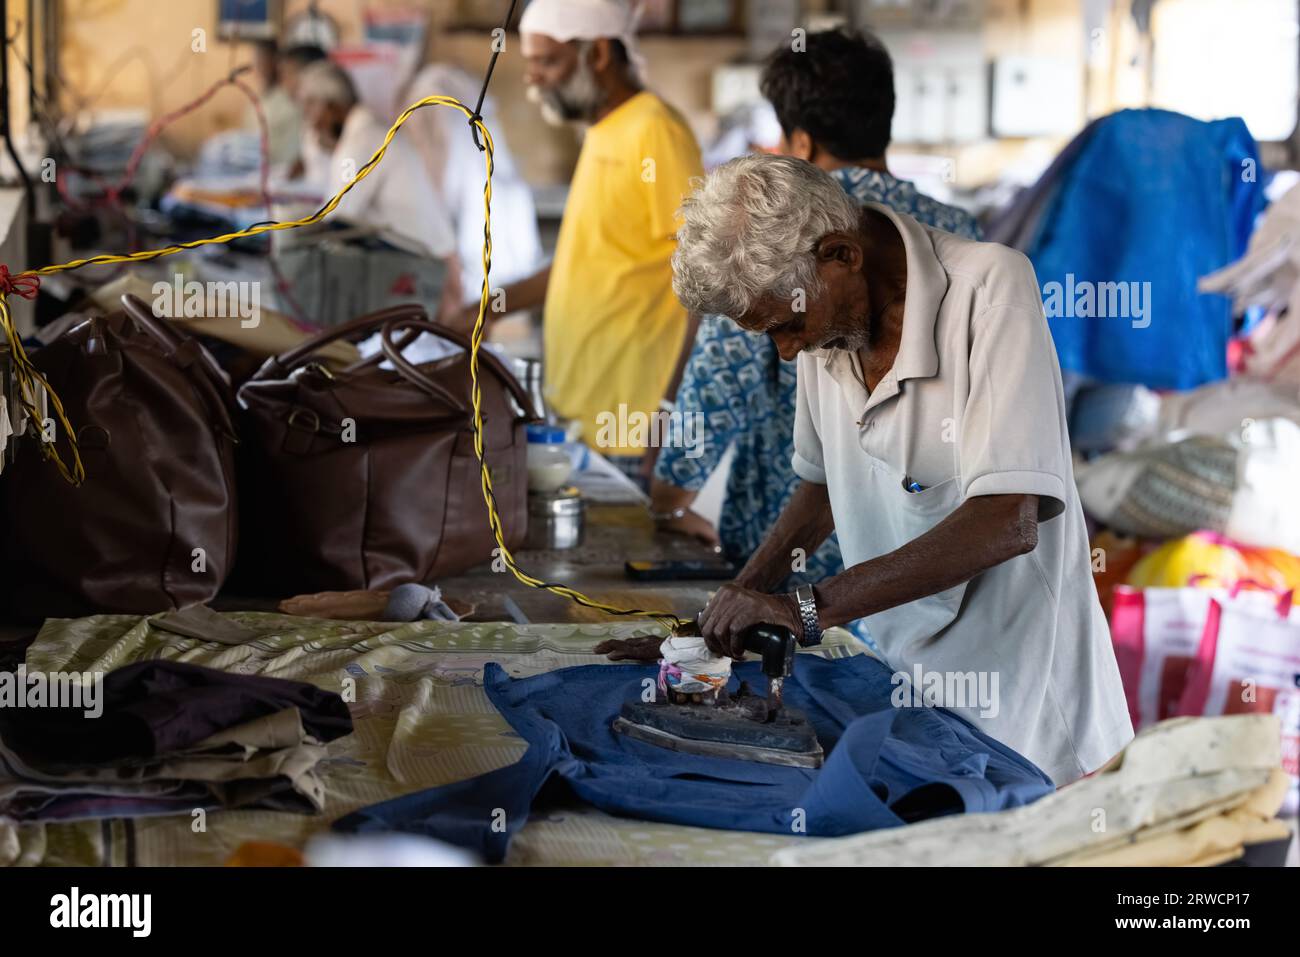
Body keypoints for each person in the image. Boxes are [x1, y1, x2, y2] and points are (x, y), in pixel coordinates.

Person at [673, 154, 1133, 784]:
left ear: (842, 255)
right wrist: (722, 619)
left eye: (786, 326)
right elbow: (820, 490)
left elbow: (1008, 520)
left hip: (1029, 715)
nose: (786, 351)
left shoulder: (989, 290)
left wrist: (804, 609)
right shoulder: (825, 323)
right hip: (906, 691)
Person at [652, 30, 979, 627]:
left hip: (792, 567)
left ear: (799, 141)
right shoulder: (957, 230)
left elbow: (716, 388)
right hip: (923, 563)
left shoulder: (769, 237)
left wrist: (668, 505)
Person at [458, 0, 703, 484]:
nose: (533, 79)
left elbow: (703, 278)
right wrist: (484, 311)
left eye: (547, 61)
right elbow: (578, 264)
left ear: (598, 55)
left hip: (633, 425)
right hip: (579, 414)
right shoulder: (602, 132)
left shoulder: (655, 130)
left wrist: (669, 411)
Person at [295, 60, 461, 314]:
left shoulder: (362, 143)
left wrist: (288, 232)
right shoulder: (369, 134)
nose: (311, 124)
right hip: (431, 265)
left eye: (311, 110)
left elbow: (335, 218)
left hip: (431, 275)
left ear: (333, 107)